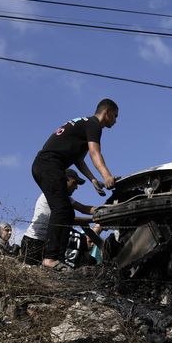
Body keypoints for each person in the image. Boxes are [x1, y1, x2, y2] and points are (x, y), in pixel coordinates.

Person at [31, 99, 118, 270]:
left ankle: (57, 258)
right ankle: (50, 259)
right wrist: (107, 175)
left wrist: (93, 180)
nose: (115, 121)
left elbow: (78, 159)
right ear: (106, 112)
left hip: (44, 165)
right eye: (115, 116)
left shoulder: (84, 124)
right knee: (62, 209)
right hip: (49, 165)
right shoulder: (94, 125)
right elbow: (95, 153)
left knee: (67, 212)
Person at [20, 169, 96, 265]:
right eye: (74, 183)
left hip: (46, 242)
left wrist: (104, 210)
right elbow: (64, 219)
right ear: (65, 180)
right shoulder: (52, 195)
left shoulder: (63, 197)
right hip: (34, 241)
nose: (76, 187)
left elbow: (83, 208)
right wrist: (92, 219)